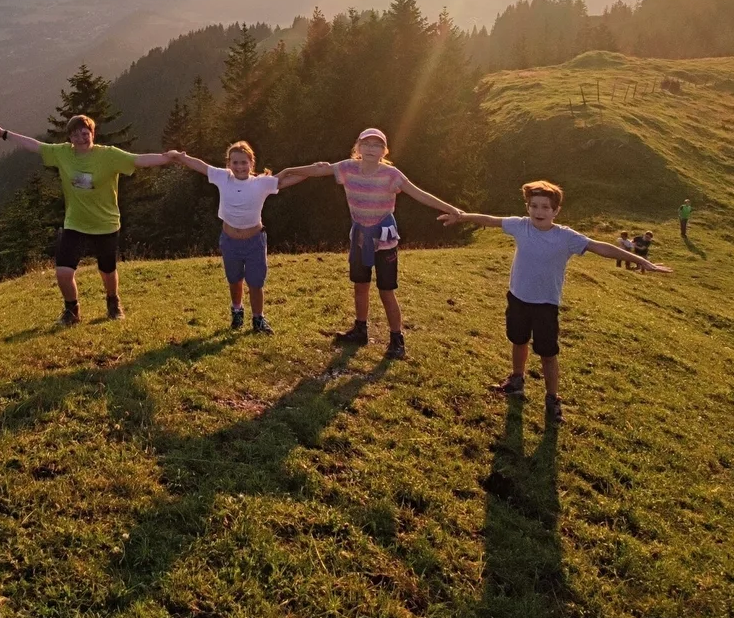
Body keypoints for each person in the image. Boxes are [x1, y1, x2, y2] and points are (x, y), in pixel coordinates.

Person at [441, 180, 670, 423]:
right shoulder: (520, 226)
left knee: (548, 353)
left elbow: (599, 247)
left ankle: (552, 400)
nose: (539, 212)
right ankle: (516, 381)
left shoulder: (566, 237)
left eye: (545, 208)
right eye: (534, 206)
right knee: (518, 341)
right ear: (527, 207)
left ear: (556, 211)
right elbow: (489, 220)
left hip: (546, 306)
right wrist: (462, 217)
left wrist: (640, 260)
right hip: (518, 298)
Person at [0, 114, 169, 323]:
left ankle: (113, 302)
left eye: (85, 132)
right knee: (63, 271)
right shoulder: (62, 153)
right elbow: (35, 146)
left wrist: (169, 157)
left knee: (107, 271)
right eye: (75, 134)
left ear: (92, 134)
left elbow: (139, 160)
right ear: (70, 138)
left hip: (105, 223)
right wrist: (5, 134)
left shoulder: (109, 155)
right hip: (75, 222)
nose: (81, 137)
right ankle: (72, 311)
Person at [165, 141, 330, 333]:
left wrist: (312, 169)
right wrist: (180, 157)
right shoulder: (223, 177)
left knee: (255, 282)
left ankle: (258, 319)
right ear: (229, 164)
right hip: (229, 240)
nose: (240, 167)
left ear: (251, 163)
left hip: (255, 242)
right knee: (234, 279)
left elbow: (290, 179)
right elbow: (200, 165)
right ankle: (237, 311)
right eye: (235, 163)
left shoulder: (261, 183)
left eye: (244, 162)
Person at [329, 127, 463, 358]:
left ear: (384, 151)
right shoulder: (347, 168)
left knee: (386, 290)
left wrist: (451, 209)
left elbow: (419, 193)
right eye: (367, 144)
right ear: (358, 147)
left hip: (384, 240)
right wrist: (284, 175)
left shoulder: (392, 175)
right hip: (360, 237)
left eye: (377, 145)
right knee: (360, 286)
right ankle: (360, 330)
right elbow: (318, 169)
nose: (371, 149)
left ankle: (396, 339)